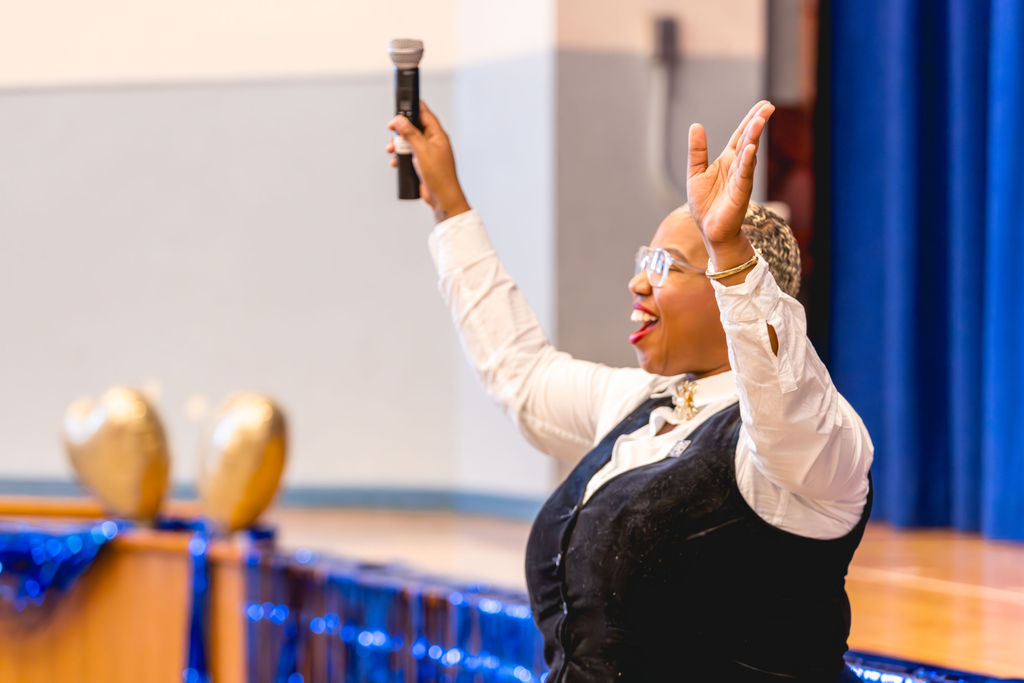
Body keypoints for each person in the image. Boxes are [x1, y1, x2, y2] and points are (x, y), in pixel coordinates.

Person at [386, 100, 872, 682]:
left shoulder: (806, 440)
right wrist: (449, 206)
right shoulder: (642, 404)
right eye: (645, 260)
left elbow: (784, 400)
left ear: (729, 288)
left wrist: (732, 256)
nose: (638, 281)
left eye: (665, 265)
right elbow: (521, 374)